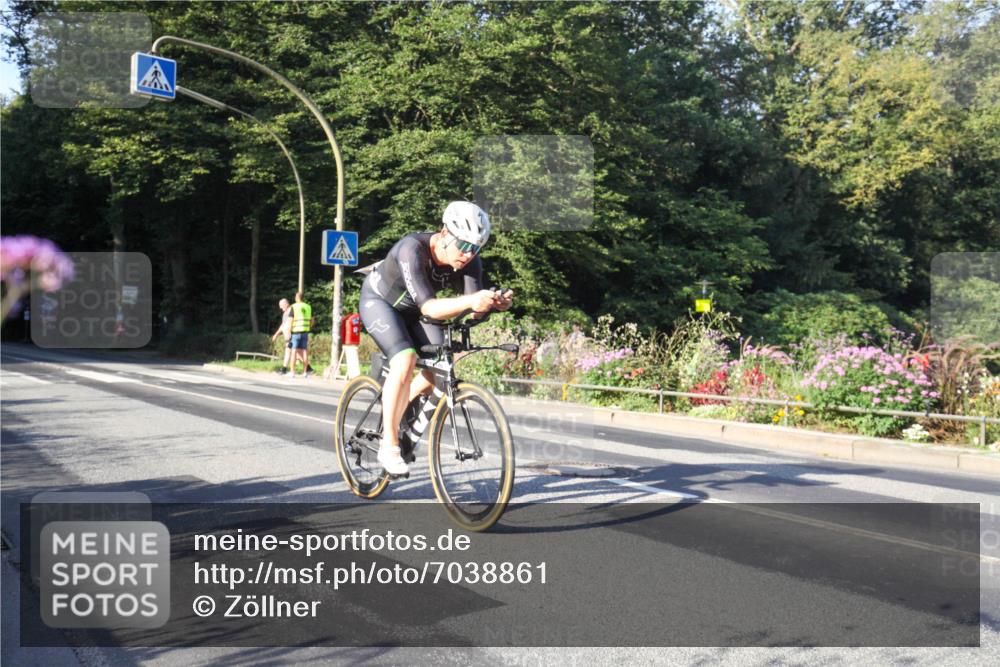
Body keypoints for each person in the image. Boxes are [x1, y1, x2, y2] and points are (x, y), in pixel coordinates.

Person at [358, 201, 514, 476]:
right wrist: (471, 301)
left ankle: (399, 410)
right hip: (381, 303)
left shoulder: (470, 261)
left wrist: (490, 304)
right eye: (463, 245)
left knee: (440, 368)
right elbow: (430, 308)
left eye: (475, 248)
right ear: (444, 234)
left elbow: (470, 308)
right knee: (405, 360)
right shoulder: (411, 249)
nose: (468, 254)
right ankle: (389, 445)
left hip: (415, 311)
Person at [289, 292, 314, 377]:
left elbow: (291, 320)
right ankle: (305, 372)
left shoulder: (294, 306)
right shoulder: (308, 307)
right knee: (304, 352)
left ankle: (292, 372)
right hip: (305, 332)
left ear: (297, 297)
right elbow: (312, 320)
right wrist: (308, 327)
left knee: (293, 352)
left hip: (295, 331)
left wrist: (289, 332)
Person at [271, 297, 293, 375]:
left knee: (292, 352)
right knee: (293, 352)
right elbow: (283, 325)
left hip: (291, 335)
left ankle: (285, 370)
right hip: (287, 336)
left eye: (281, 305)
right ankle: (284, 369)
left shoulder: (291, 311)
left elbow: (290, 323)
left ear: (286, 304)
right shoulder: (285, 313)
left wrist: (289, 333)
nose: (280, 307)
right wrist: (276, 334)